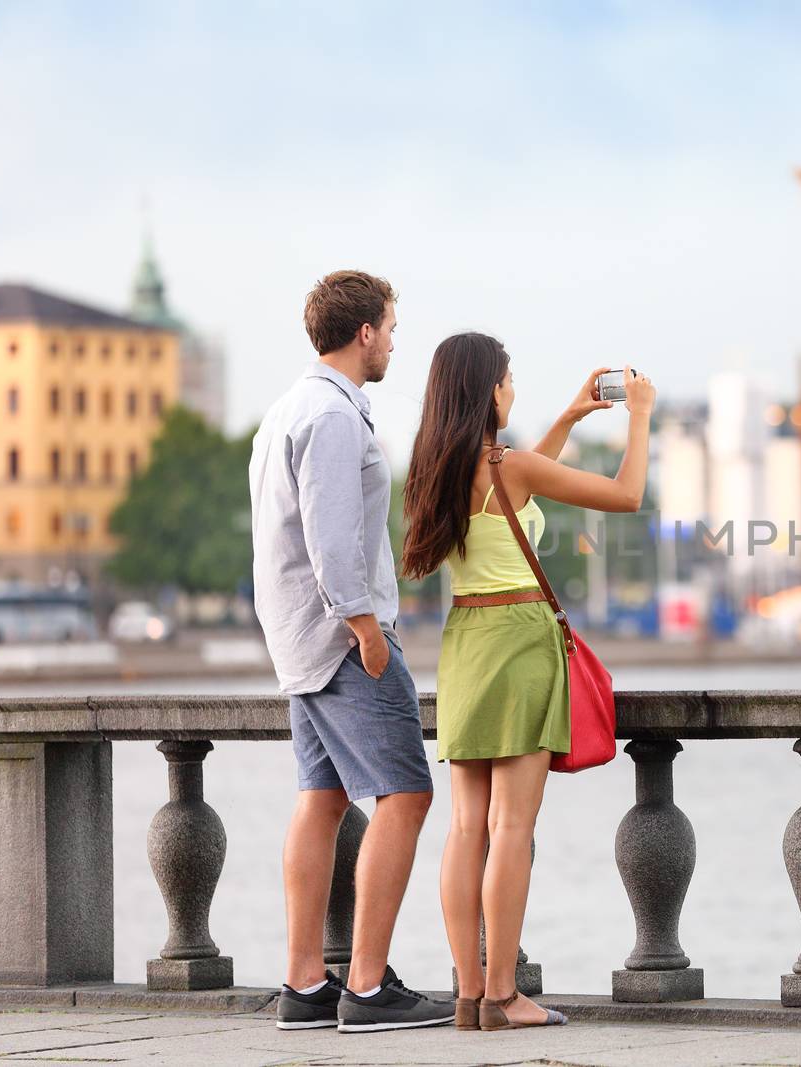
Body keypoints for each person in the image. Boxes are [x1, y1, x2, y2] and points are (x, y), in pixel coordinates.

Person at [399, 333, 654, 1031]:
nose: (512, 393)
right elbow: (626, 494)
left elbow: (518, 489)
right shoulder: (507, 466)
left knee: (466, 827)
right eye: (508, 383)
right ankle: (506, 996)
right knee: (512, 826)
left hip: (466, 644)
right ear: (488, 391)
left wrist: (570, 418)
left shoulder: (435, 469)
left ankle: (469, 992)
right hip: (518, 640)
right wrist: (639, 413)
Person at [248, 270, 454, 1034]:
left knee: (323, 799)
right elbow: (331, 535)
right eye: (391, 328)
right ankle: (365, 986)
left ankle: (305, 984)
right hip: (342, 640)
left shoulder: (284, 411)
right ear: (363, 332)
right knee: (406, 793)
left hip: (300, 639)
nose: (395, 341)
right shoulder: (333, 417)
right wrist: (364, 626)